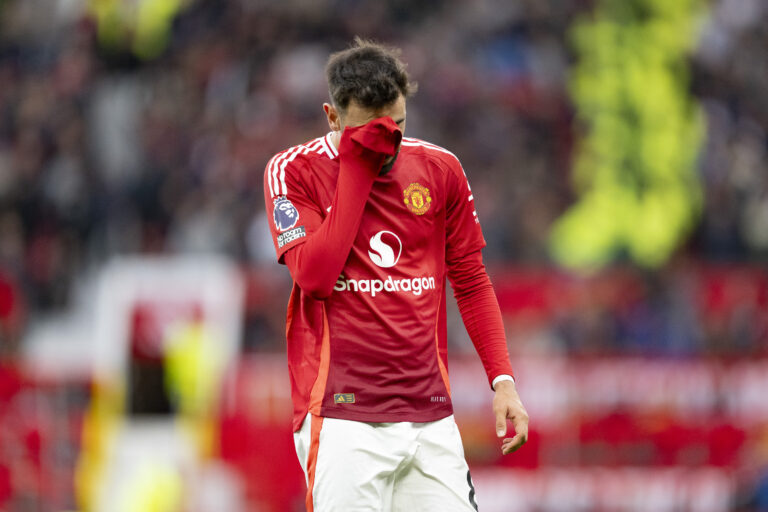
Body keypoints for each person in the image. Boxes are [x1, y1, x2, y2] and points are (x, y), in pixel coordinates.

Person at [263, 38, 529, 511]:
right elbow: (316, 277)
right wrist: (358, 166)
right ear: (332, 117)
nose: (387, 142)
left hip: (429, 415)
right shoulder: (293, 170)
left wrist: (502, 380)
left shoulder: (440, 169)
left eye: (399, 125)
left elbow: (470, 281)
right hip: (342, 416)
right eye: (370, 130)